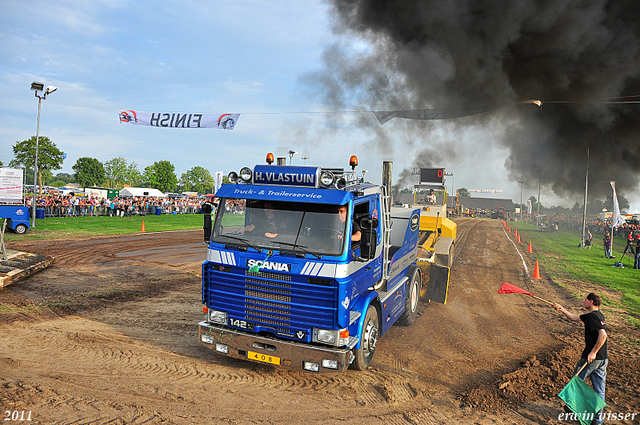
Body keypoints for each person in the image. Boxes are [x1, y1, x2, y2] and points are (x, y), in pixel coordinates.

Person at [554, 293, 608, 425]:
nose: (583, 301)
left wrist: (593, 352)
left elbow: (603, 334)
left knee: (576, 382)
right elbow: (574, 318)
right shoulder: (597, 315)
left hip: (591, 359)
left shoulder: (593, 317)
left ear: (591, 302)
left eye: (585, 300)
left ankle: (573, 409)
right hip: (603, 359)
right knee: (599, 390)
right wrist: (561, 309)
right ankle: (597, 420)